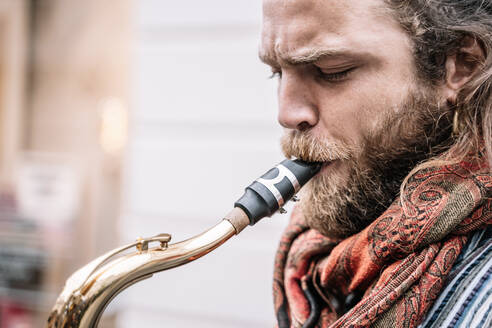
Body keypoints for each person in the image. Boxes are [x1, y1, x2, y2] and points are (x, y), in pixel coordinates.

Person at [259, 0, 492, 327]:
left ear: (462, 66)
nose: (287, 114)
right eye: (277, 72)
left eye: (332, 71)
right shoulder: (313, 258)